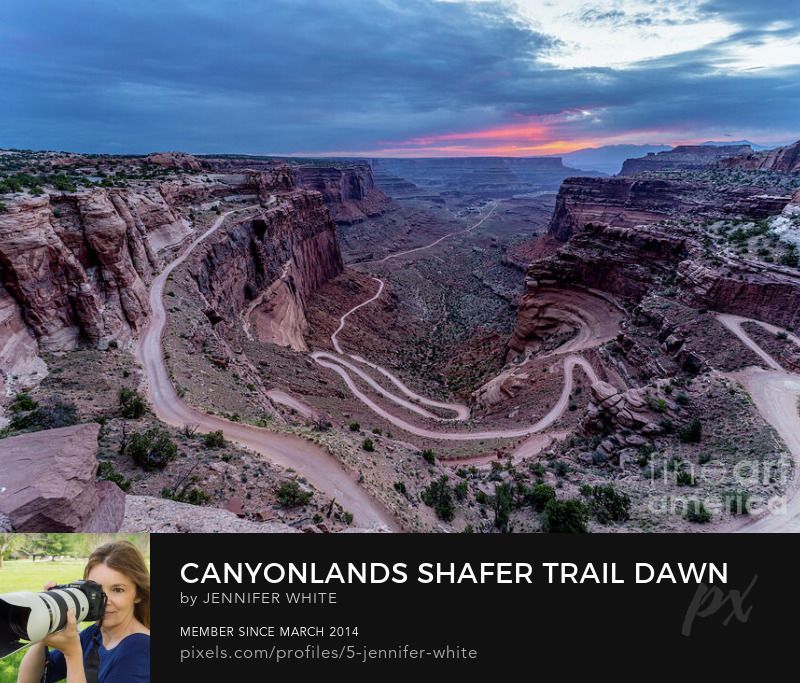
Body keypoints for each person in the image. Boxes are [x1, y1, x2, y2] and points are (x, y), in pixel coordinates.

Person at [17, 541, 150, 683]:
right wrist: (47, 623)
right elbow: (29, 680)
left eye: (118, 590)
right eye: (96, 590)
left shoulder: (141, 649)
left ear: (138, 594)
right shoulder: (94, 635)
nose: (104, 601)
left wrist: (72, 654)